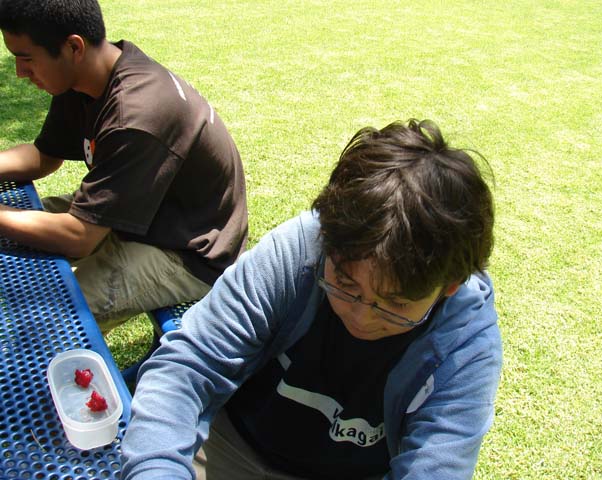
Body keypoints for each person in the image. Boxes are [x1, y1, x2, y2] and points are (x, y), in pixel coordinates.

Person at [121, 119, 502, 479]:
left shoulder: (466, 344)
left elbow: (435, 465)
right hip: (231, 443)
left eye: (396, 305)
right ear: (326, 241)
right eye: (345, 284)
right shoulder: (299, 251)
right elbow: (188, 368)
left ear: (450, 286)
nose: (361, 317)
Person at [0, 0, 248, 331]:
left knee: (43, 323)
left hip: (187, 251)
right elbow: (44, 156)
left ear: (74, 47)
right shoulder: (83, 78)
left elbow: (79, 237)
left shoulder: (134, 115)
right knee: (12, 239)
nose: (19, 72)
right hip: (137, 214)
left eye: (27, 58)